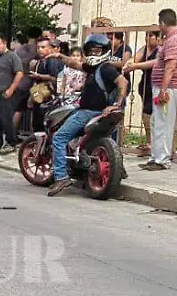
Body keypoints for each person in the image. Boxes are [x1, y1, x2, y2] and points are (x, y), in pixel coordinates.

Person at [46, 34, 128, 197]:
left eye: (97, 50)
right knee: (95, 140)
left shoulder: (105, 68)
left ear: (104, 51)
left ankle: (61, 177)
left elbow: (123, 82)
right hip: (99, 114)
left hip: (89, 113)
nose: (94, 53)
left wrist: (117, 104)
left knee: (59, 138)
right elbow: (74, 63)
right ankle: (118, 169)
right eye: (91, 50)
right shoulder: (94, 68)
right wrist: (60, 55)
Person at [141, 8, 177, 171]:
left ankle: (163, 159)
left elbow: (170, 67)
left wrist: (163, 90)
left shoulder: (173, 40)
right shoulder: (175, 38)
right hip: (164, 87)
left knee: (164, 123)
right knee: (157, 121)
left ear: (162, 23)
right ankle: (156, 156)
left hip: (168, 88)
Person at [122, 31, 160, 155]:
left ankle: (156, 146)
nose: (147, 38)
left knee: (157, 115)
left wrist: (135, 66)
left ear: (158, 38)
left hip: (157, 84)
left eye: (151, 36)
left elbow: (153, 64)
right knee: (146, 114)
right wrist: (129, 63)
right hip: (145, 85)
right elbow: (136, 58)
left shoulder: (160, 49)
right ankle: (150, 143)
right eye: (146, 35)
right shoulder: (145, 49)